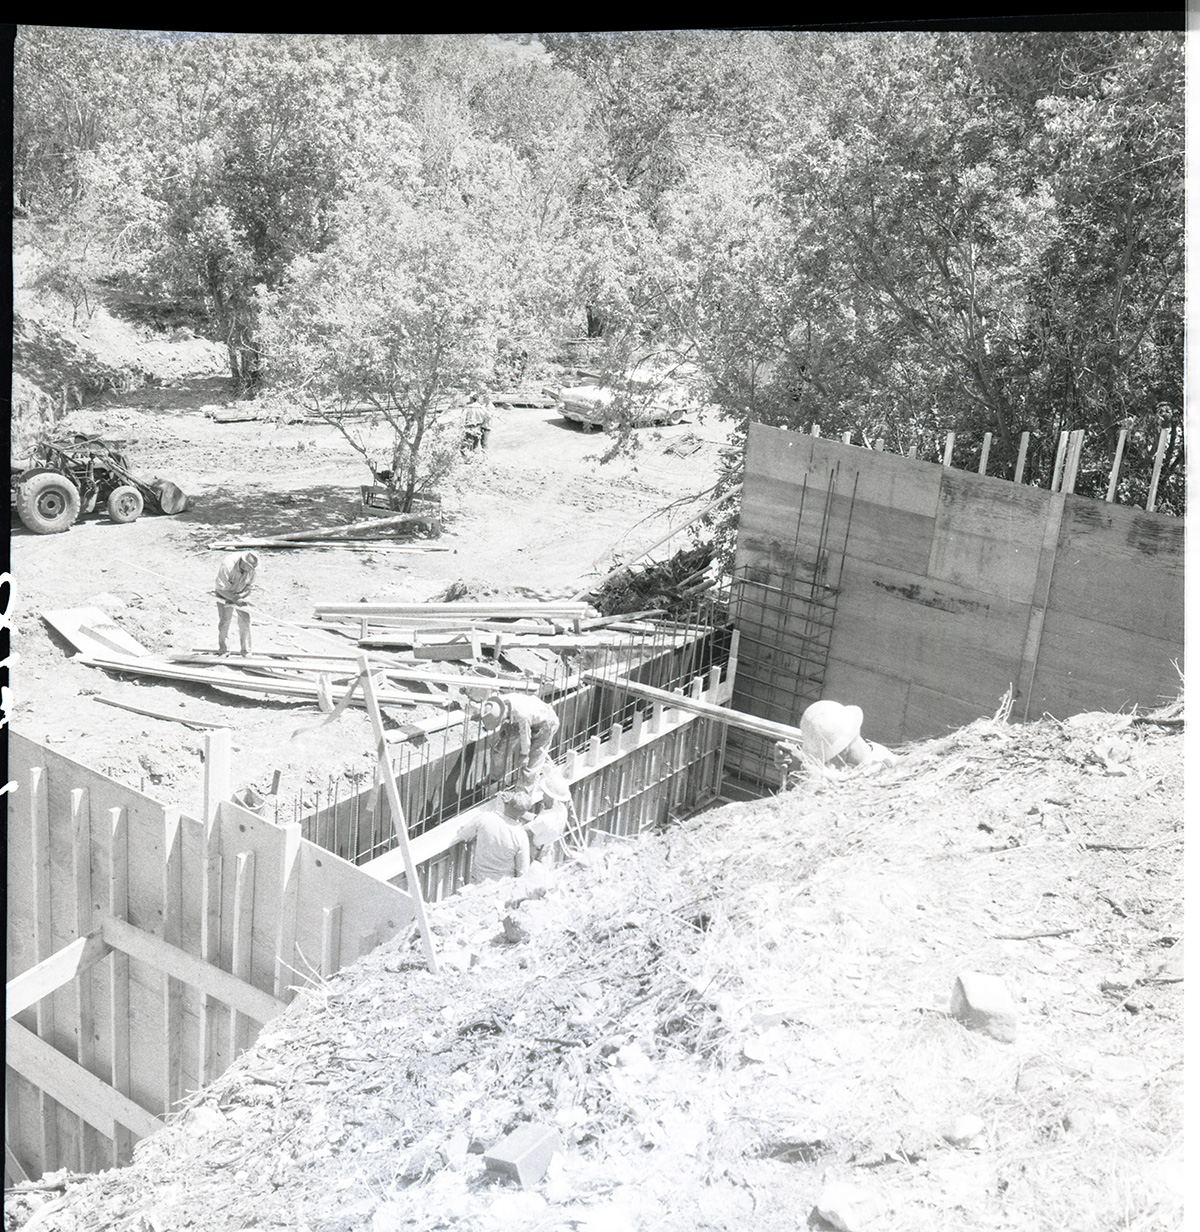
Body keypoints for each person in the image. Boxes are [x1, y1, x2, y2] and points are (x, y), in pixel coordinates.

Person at [457, 790, 532, 884]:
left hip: (479, 881)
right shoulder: (521, 836)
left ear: (507, 803)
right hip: (503, 886)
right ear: (523, 814)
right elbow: (523, 872)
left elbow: (462, 834)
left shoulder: (485, 818)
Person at [480, 692, 560, 776]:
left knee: (531, 764)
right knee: (500, 750)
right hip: (526, 719)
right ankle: (494, 777)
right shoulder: (498, 704)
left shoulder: (522, 715)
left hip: (546, 722)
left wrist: (524, 755)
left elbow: (525, 736)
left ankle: (525, 788)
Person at [523, 767, 572, 862]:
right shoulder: (561, 809)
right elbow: (536, 820)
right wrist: (523, 814)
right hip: (545, 850)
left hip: (534, 852)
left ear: (551, 795)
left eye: (545, 792)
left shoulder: (545, 819)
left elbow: (522, 831)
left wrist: (512, 811)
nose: (542, 794)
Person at [214, 552, 258, 656]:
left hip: (240, 592)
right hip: (225, 592)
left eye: (250, 568)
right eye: (247, 566)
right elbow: (221, 588)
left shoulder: (252, 570)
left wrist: (241, 598)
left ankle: (246, 651)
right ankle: (224, 650)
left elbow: (249, 587)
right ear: (242, 561)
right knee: (225, 620)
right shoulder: (228, 565)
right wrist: (233, 598)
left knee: (245, 619)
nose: (248, 570)